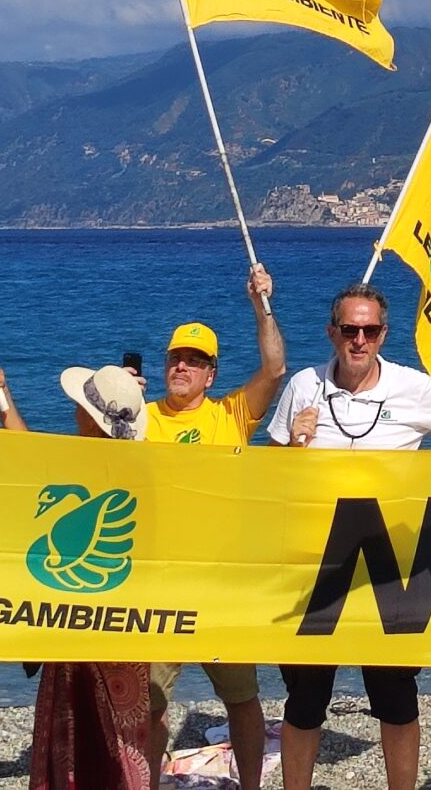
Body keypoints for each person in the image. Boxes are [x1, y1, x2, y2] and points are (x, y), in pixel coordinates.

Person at [269, 283, 431, 790]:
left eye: (369, 330)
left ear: (383, 334)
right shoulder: (304, 386)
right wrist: (295, 446)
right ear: (333, 333)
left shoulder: (411, 386)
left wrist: (421, 477)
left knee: (394, 693)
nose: (359, 340)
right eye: (350, 329)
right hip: (315, 562)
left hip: (390, 561)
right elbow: (273, 477)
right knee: (305, 699)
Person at [144, 263, 285, 787]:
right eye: (176, 358)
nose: (182, 366)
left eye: (195, 361)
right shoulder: (141, 417)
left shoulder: (231, 415)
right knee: (152, 703)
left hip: (222, 580)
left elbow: (274, 369)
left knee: (242, 698)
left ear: (211, 374)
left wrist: (261, 303)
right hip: (160, 579)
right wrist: (110, 394)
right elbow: (91, 446)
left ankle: (250, 784)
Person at [0, 360, 156, 790]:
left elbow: (23, 456)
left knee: (78, 732)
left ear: (93, 420)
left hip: (76, 623)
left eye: (81, 406)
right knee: (120, 733)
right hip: (128, 625)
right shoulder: (149, 473)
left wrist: (3, 399)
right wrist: (2, 397)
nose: (74, 411)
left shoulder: (73, 464)